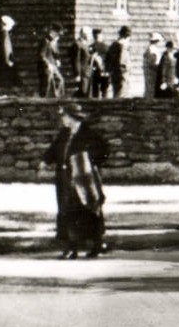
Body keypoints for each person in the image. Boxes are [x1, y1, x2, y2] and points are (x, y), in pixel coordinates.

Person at [42, 103, 108, 259]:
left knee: (88, 208)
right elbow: (54, 149)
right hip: (65, 178)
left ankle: (96, 244)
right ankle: (71, 246)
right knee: (67, 210)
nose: (63, 119)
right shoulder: (65, 133)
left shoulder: (89, 134)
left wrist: (89, 163)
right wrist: (45, 161)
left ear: (73, 118)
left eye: (65, 116)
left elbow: (103, 152)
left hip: (83, 179)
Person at [0, 13, 16, 92]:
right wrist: (8, 59)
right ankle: (1, 91)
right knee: (3, 74)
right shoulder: (4, 34)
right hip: (3, 58)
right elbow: (6, 47)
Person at [38, 31, 64, 98]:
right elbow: (41, 55)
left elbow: (56, 54)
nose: (57, 39)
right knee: (47, 83)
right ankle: (44, 99)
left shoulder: (54, 43)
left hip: (53, 65)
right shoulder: (45, 42)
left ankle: (57, 96)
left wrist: (58, 60)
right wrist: (48, 64)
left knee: (60, 80)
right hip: (47, 66)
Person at [107, 26, 129, 98]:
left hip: (114, 73)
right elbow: (122, 62)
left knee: (116, 93)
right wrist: (124, 71)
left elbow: (108, 59)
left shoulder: (113, 45)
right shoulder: (122, 46)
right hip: (121, 73)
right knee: (121, 94)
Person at [142, 33, 163, 98]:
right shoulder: (152, 49)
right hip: (152, 71)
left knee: (150, 87)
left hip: (150, 70)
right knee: (151, 88)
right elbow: (153, 62)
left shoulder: (150, 49)